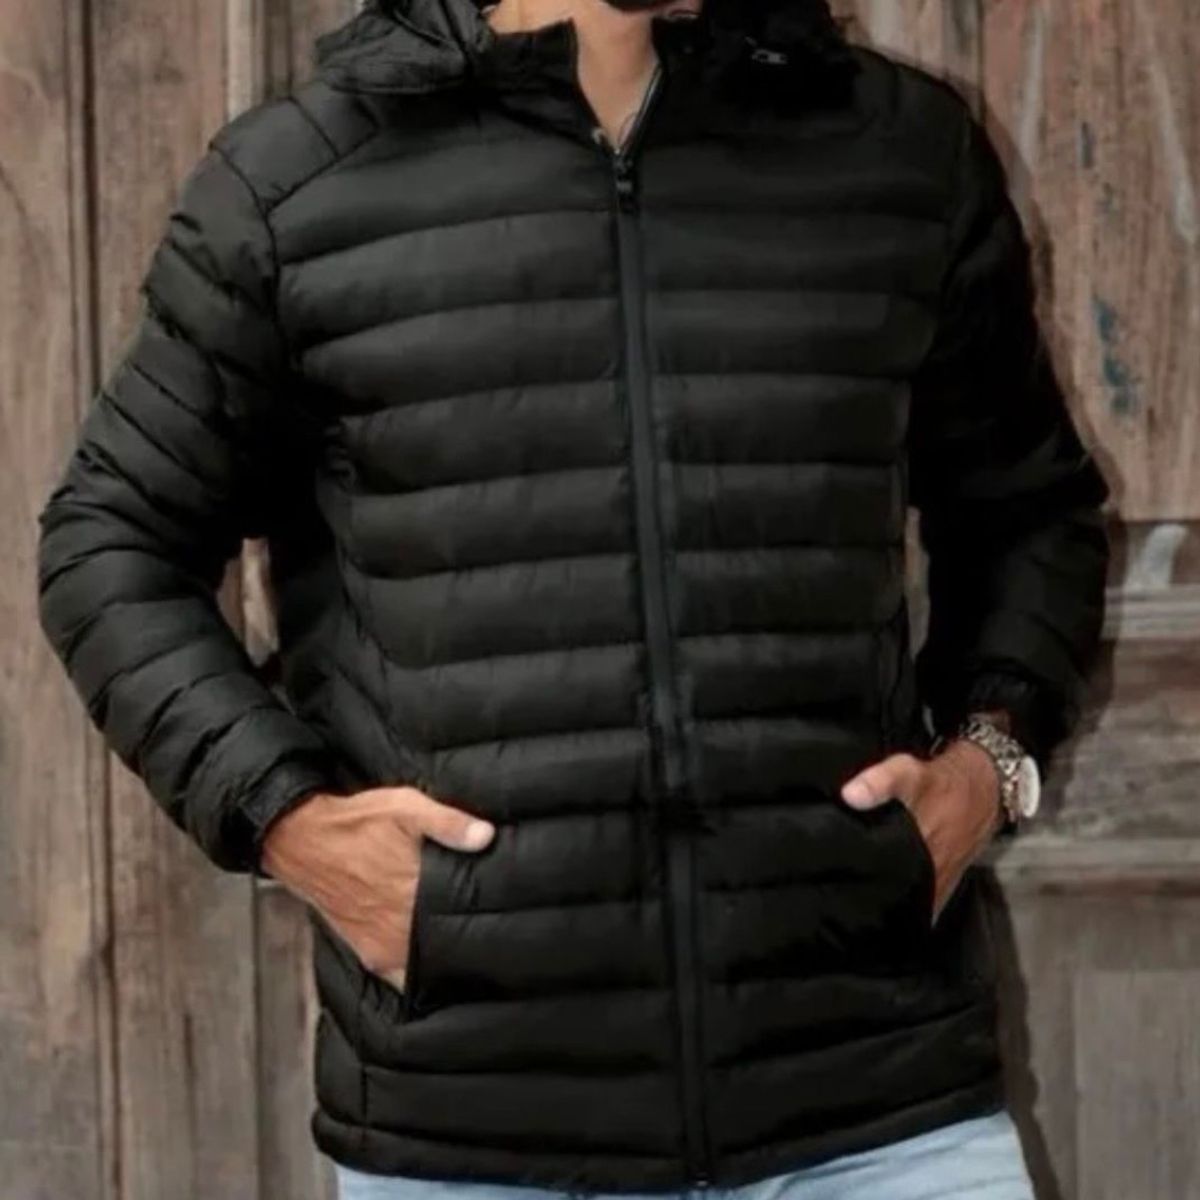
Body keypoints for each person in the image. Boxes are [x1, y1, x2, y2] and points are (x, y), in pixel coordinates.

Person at [35, 0, 1111, 1197]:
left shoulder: (899, 153)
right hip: (479, 1131)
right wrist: (288, 821)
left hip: (883, 1108)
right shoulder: (299, 186)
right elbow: (111, 544)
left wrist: (987, 763)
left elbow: (1033, 514)